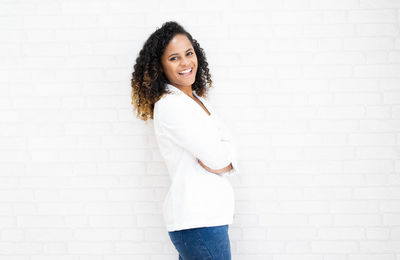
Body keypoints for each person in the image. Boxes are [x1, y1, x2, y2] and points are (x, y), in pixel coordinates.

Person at [131, 21, 239, 260]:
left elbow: (228, 148)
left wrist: (226, 159)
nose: (185, 63)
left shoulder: (198, 101)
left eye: (189, 53)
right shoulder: (171, 105)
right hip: (198, 221)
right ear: (160, 66)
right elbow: (219, 156)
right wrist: (226, 159)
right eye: (174, 58)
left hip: (209, 218)